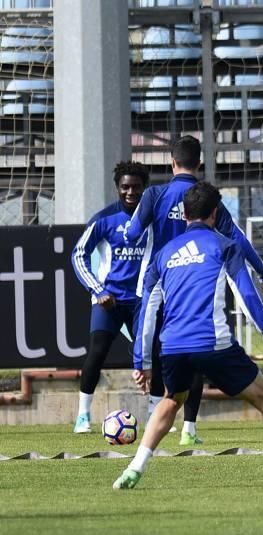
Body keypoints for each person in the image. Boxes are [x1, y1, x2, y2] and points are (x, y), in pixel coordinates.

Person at [113, 182, 263, 489]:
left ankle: (135, 467)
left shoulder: (163, 255)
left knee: (171, 399)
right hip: (213, 343)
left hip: (172, 346)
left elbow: (148, 310)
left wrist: (141, 361)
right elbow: (246, 296)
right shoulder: (224, 246)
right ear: (215, 213)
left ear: (184, 214)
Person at [125, 135, 263, 445]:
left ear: (172, 161)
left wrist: (132, 228)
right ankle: (189, 429)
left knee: (162, 353)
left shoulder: (155, 194)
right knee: (196, 351)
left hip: (159, 283)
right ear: (200, 163)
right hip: (196, 286)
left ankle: (156, 421)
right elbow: (240, 240)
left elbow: (133, 234)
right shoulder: (206, 201)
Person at [71, 161, 152, 433]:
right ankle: (82, 416)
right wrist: (98, 290)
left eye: (136, 187)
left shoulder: (153, 220)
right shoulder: (103, 219)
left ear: (144, 189)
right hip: (110, 300)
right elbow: (78, 255)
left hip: (141, 300)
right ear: (117, 188)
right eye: (125, 187)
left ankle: (155, 412)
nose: (131, 192)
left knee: (153, 355)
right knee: (97, 353)